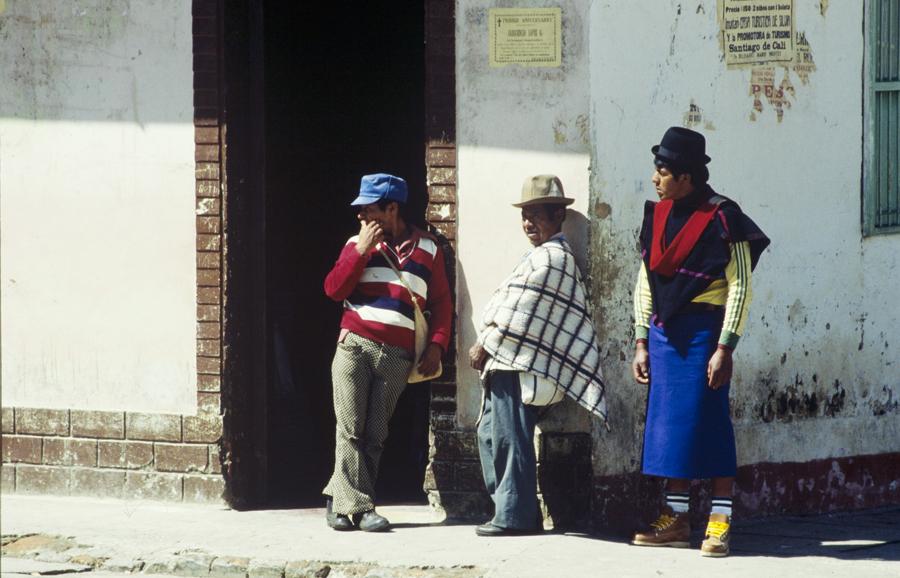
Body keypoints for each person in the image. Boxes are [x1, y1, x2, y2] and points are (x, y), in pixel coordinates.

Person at [630, 127, 769, 557]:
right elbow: (645, 281)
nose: (655, 179)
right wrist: (640, 341)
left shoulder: (724, 218)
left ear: (687, 177)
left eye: (663, 171)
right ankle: (675, 520)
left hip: (705, 336)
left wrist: (725, 347)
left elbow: (740, 286)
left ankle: (719, 521)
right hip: (664, 334)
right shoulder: (657, 216)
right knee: (669, 428)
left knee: (709, 425)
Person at [468, 175, 608, 537]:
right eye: (525, 216)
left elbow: (524, 312)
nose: (529, 223)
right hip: (510, 362)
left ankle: (513, 516)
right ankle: (517, 511)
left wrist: (488, 341)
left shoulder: (553, 259)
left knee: (508, 437)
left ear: (558, 216)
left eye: (538, 215)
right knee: (490, 433)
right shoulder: (538, 256)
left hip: (519, 363)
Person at [322, 173, 452, 532]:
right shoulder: (356, 244)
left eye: (367, 210)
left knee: (374, 433)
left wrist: (437, 345)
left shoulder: (428, 249)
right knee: (350, 428)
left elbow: (441, 303)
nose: (360, 218)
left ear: (391, 208)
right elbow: (334, 289)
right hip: (355, 345)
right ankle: (363, 509)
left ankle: (337, 500)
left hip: (398, 354)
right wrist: (361, 252)